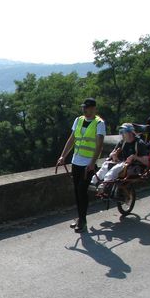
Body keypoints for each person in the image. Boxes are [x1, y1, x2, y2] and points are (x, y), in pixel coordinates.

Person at [56, 98, 106, 233]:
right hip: (76, 161)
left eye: (88, 107)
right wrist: (63, 156)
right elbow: (72, 139)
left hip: (88, 164)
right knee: (77, 192)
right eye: (84, 107)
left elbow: (99, 145)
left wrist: (92, 162)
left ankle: (82, 221)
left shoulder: (99, 123)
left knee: (82, 191)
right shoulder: (78, 120)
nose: (85, 109)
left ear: (94, 108)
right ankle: (80, 218)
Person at [90, 123, 150, 193]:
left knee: (115, 169)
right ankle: (93, 182)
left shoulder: (139, 143)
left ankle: (105, 184)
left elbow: (147, 161)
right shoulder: (122, 142)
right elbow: (111, 154)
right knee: (106, 164)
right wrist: (113, 155)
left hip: (134, 166)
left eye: (123, 132)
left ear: (130, 133)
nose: (121, 134)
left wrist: (135, 157)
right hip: (122, 162)